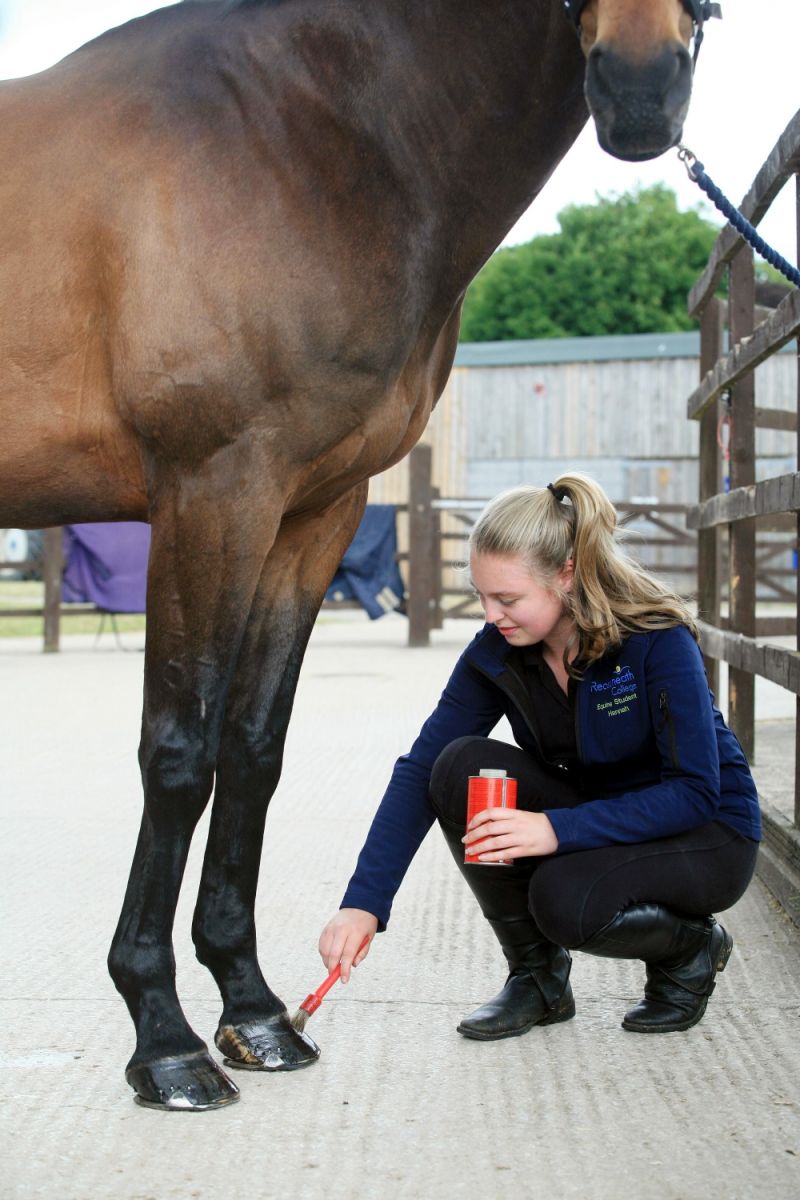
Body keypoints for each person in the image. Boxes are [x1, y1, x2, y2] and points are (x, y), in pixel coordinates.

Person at [318, 474, 761, 1038]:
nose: (490, 614)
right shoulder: (498, 652)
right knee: (458, 767)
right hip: (603, 815)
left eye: (507, 598)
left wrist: (555, 828)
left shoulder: (655, 638)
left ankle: (691, 948)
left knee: (564, 902)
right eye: (481, 595)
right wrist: (364, 903)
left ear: (566, 575)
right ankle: (538, 981)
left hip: (707, 832)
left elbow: (695, 792)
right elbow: (420, 771)